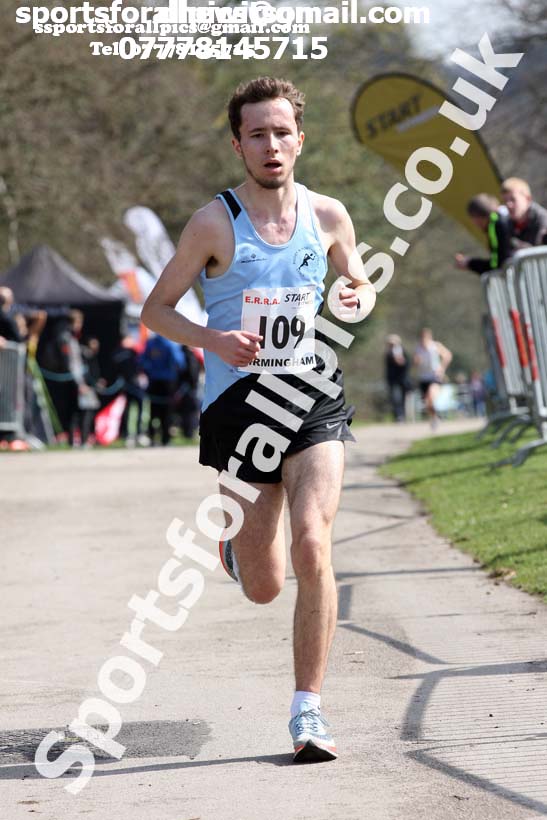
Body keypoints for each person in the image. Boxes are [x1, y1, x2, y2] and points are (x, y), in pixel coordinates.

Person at [142, 76, 376, 762]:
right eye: (256, 134)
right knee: (265, 585)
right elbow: (155, 310)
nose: (270, 145)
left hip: (311, 398)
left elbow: (354, 283)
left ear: (299, 139)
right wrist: (214, 340)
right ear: (238, 143)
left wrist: (354, 293)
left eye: (281, 132)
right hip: (238, 410)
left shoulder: (329, 215)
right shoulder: (213, 222)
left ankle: (308, 712)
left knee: (313, 544)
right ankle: (237, 554)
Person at [140, 333, 185, 446]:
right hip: (168, 382)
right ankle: (166, 439)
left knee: (153, 411)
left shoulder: (150, 343)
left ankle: (151, 437)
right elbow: (179, 362)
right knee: (167, 412)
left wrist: (150, 370)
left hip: (153, 381)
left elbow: (142, 361)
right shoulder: (171, 343)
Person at [454, 194, 513, 274]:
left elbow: (497, 264)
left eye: (473, 219)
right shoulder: (502, 217)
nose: (474, 224)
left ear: (478, 217)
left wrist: (470, 263)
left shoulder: (495, 225)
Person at [413, 328, 452, 430]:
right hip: (423, 378)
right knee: (427, 403)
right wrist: (417, 361)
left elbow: (448, 355)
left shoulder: (435, 346)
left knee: (430, 396)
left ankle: (436, 417)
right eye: (422, 338)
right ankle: (435, 417)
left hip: (435, 377)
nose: (423, 340)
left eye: (425, 338)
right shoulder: (418, 348)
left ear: (429, 337)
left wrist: (442, 368)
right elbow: (415, 363)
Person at [501, 177, 547, 250]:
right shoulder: (507, 223)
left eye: (513, 199)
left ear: (527, 199)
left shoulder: (543, 220)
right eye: (505, 201)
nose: (508, 205)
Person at [384, 334, 410, 421]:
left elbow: (407, 365)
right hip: (392, 379)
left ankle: (402, 415)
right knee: (395, 397)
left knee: (402, 398)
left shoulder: (403, 352)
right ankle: (398, 416)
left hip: (402, 379)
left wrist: (402, 362)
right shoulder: (388, 354)